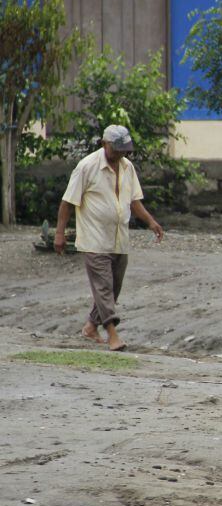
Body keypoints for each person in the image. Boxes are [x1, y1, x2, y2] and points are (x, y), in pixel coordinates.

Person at [55, 125, 164, 351]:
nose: (120, 154)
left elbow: (134, 201)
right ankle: (113, 335)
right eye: (117, 150)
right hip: (94, 238)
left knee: (113, 287)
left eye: (124, 150)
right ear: (104, 144)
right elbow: (67, 202)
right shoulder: (87, 167)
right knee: (104, 287)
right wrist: (59, 233)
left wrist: (151, 222)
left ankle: (90, 326)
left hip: (118, 238)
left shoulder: (127, 167)